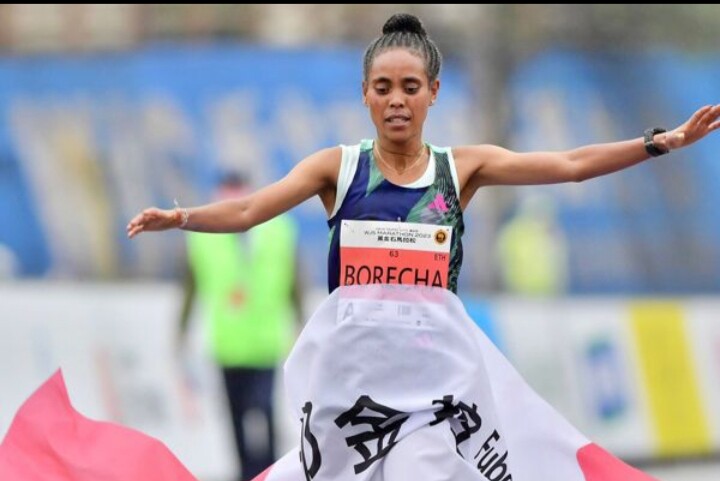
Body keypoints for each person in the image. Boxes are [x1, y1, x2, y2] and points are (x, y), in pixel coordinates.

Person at [128, 13, 720, 481]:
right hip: (352, 390)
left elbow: (568, 164)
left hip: (436, 389)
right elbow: (249, 210)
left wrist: (658, 142)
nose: (396, 100)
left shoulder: (460, 169)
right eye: (383, 88)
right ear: (364, 94)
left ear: (433, 92)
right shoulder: (337, 168)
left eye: (410, 87)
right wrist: (181, 217)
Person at [177, 171, 303, 481]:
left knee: (262, 409)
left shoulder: (278, 231)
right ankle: (245, 473)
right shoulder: (204, 238)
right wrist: (181, 331)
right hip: (228, 344)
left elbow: (294, 281)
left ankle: (268, 471)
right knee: (235, 414)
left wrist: (301, 323)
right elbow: (191, 287)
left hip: (265, 341)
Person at [495, 192, 569, 296]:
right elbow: (500, 262)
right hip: (519, 292)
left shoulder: (552, 232)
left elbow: (560, 264)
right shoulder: (513, 232)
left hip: (548, 293)